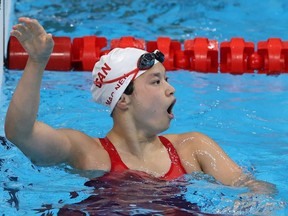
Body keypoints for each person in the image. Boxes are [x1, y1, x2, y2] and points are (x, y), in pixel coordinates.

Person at [5, 17, 275, 194]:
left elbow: (251, 185)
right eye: (157, 82)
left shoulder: (193, 148)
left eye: (166, 79)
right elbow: (21, 134)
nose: (171, 88)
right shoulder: (87, 152)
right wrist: (37, 62)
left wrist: (252, 204)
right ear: (123, 98)